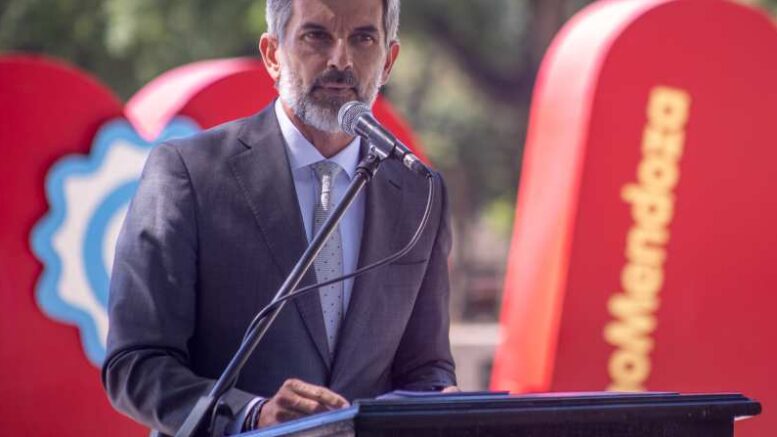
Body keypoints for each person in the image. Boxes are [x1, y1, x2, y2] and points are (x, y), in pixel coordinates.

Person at [102, 0, 457, 434]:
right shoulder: (188, 173)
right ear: (272, 54)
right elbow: (135, 363)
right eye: (316, 36)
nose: (341, 60)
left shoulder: (420, 192)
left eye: (363, 38)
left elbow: (425, 367)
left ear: (388, 61)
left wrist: (443, 403)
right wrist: (252, 415)